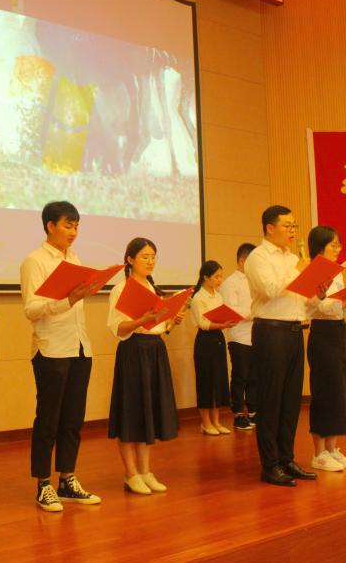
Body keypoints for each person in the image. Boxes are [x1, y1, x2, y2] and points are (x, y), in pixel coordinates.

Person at [20, 201, 103, 512]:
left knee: (73, 419)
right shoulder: (35, 261)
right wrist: (67, 300)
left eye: (77, 226)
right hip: (51, 348)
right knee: (48, 419)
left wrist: (83, 293)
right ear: (50, 225)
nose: (74, 232)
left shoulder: (75, 259)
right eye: (68, 225)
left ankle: (67, 479)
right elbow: (31, 309)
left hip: (80, 346)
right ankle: (43, 484)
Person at [244, 205, 323, 487]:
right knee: (271, 400)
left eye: (294, 226)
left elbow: (301, 300)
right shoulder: (258, 257)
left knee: (290, 400)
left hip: (294, 330)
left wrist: (317, 292)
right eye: (287, 226)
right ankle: (270, 465)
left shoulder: (292, 258)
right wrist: (300, 271)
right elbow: (269, 290)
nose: (293, 231)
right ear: (270, 228)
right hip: (270, 331)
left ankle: (287, 459)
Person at [108, 237, 184, 494]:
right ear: (130, 259)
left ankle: (145, 471)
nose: (150, 261)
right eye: (145, 256)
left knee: (148, 412)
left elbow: (159, 327)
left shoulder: (154, 288)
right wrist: (141, 320)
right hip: (133, 351)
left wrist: (172, 321)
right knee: (131, 412)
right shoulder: (121, 289)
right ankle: (131, 474)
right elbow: (118, 328)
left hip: (155, 350)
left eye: (153, 256)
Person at [305, 226, 346, 472]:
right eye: (333, 245)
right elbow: (320, 308)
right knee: (326, 391)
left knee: (341, 389)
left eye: (339, 244)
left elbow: (338, 307)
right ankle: (318, 453)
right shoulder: (312, 271)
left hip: (338, 331)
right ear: (319, 247)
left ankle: (332, 448)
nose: (338, 249)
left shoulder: (336, 272)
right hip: (322, 334)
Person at [190, 261, 234, 435]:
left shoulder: (218, 295)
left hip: (218, 339)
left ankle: (216, 421)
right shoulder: (198, 298)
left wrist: (227, 322)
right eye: (216, 277)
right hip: (205, 341)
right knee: (206, 382)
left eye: (221, 276)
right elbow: (203, 323)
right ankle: (206, 423)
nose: (219, 280)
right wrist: (223, 324)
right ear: (206, 277)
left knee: (218, 380)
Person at [221, 243, 257, 430]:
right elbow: (230, 311)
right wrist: (254, 312)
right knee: (240, 376)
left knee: (254, 377)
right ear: (242, 261)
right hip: (239, 336)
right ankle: (237, 414)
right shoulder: (230, 283)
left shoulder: (254, 280)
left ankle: (252, 411)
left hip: (255, 335)